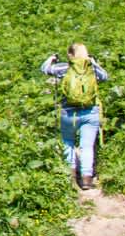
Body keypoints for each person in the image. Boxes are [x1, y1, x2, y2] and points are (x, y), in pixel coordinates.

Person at [42, 43, 108, 190]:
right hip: (90, 112)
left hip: (68, 113)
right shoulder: (91, 67)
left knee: (68, 142)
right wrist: (93, 62)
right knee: (87, 146)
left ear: (71, 55)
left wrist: (51, 59)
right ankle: (86, 179)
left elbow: (45, 69)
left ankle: (70, 177)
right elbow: (105, 76)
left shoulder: (64, 67)